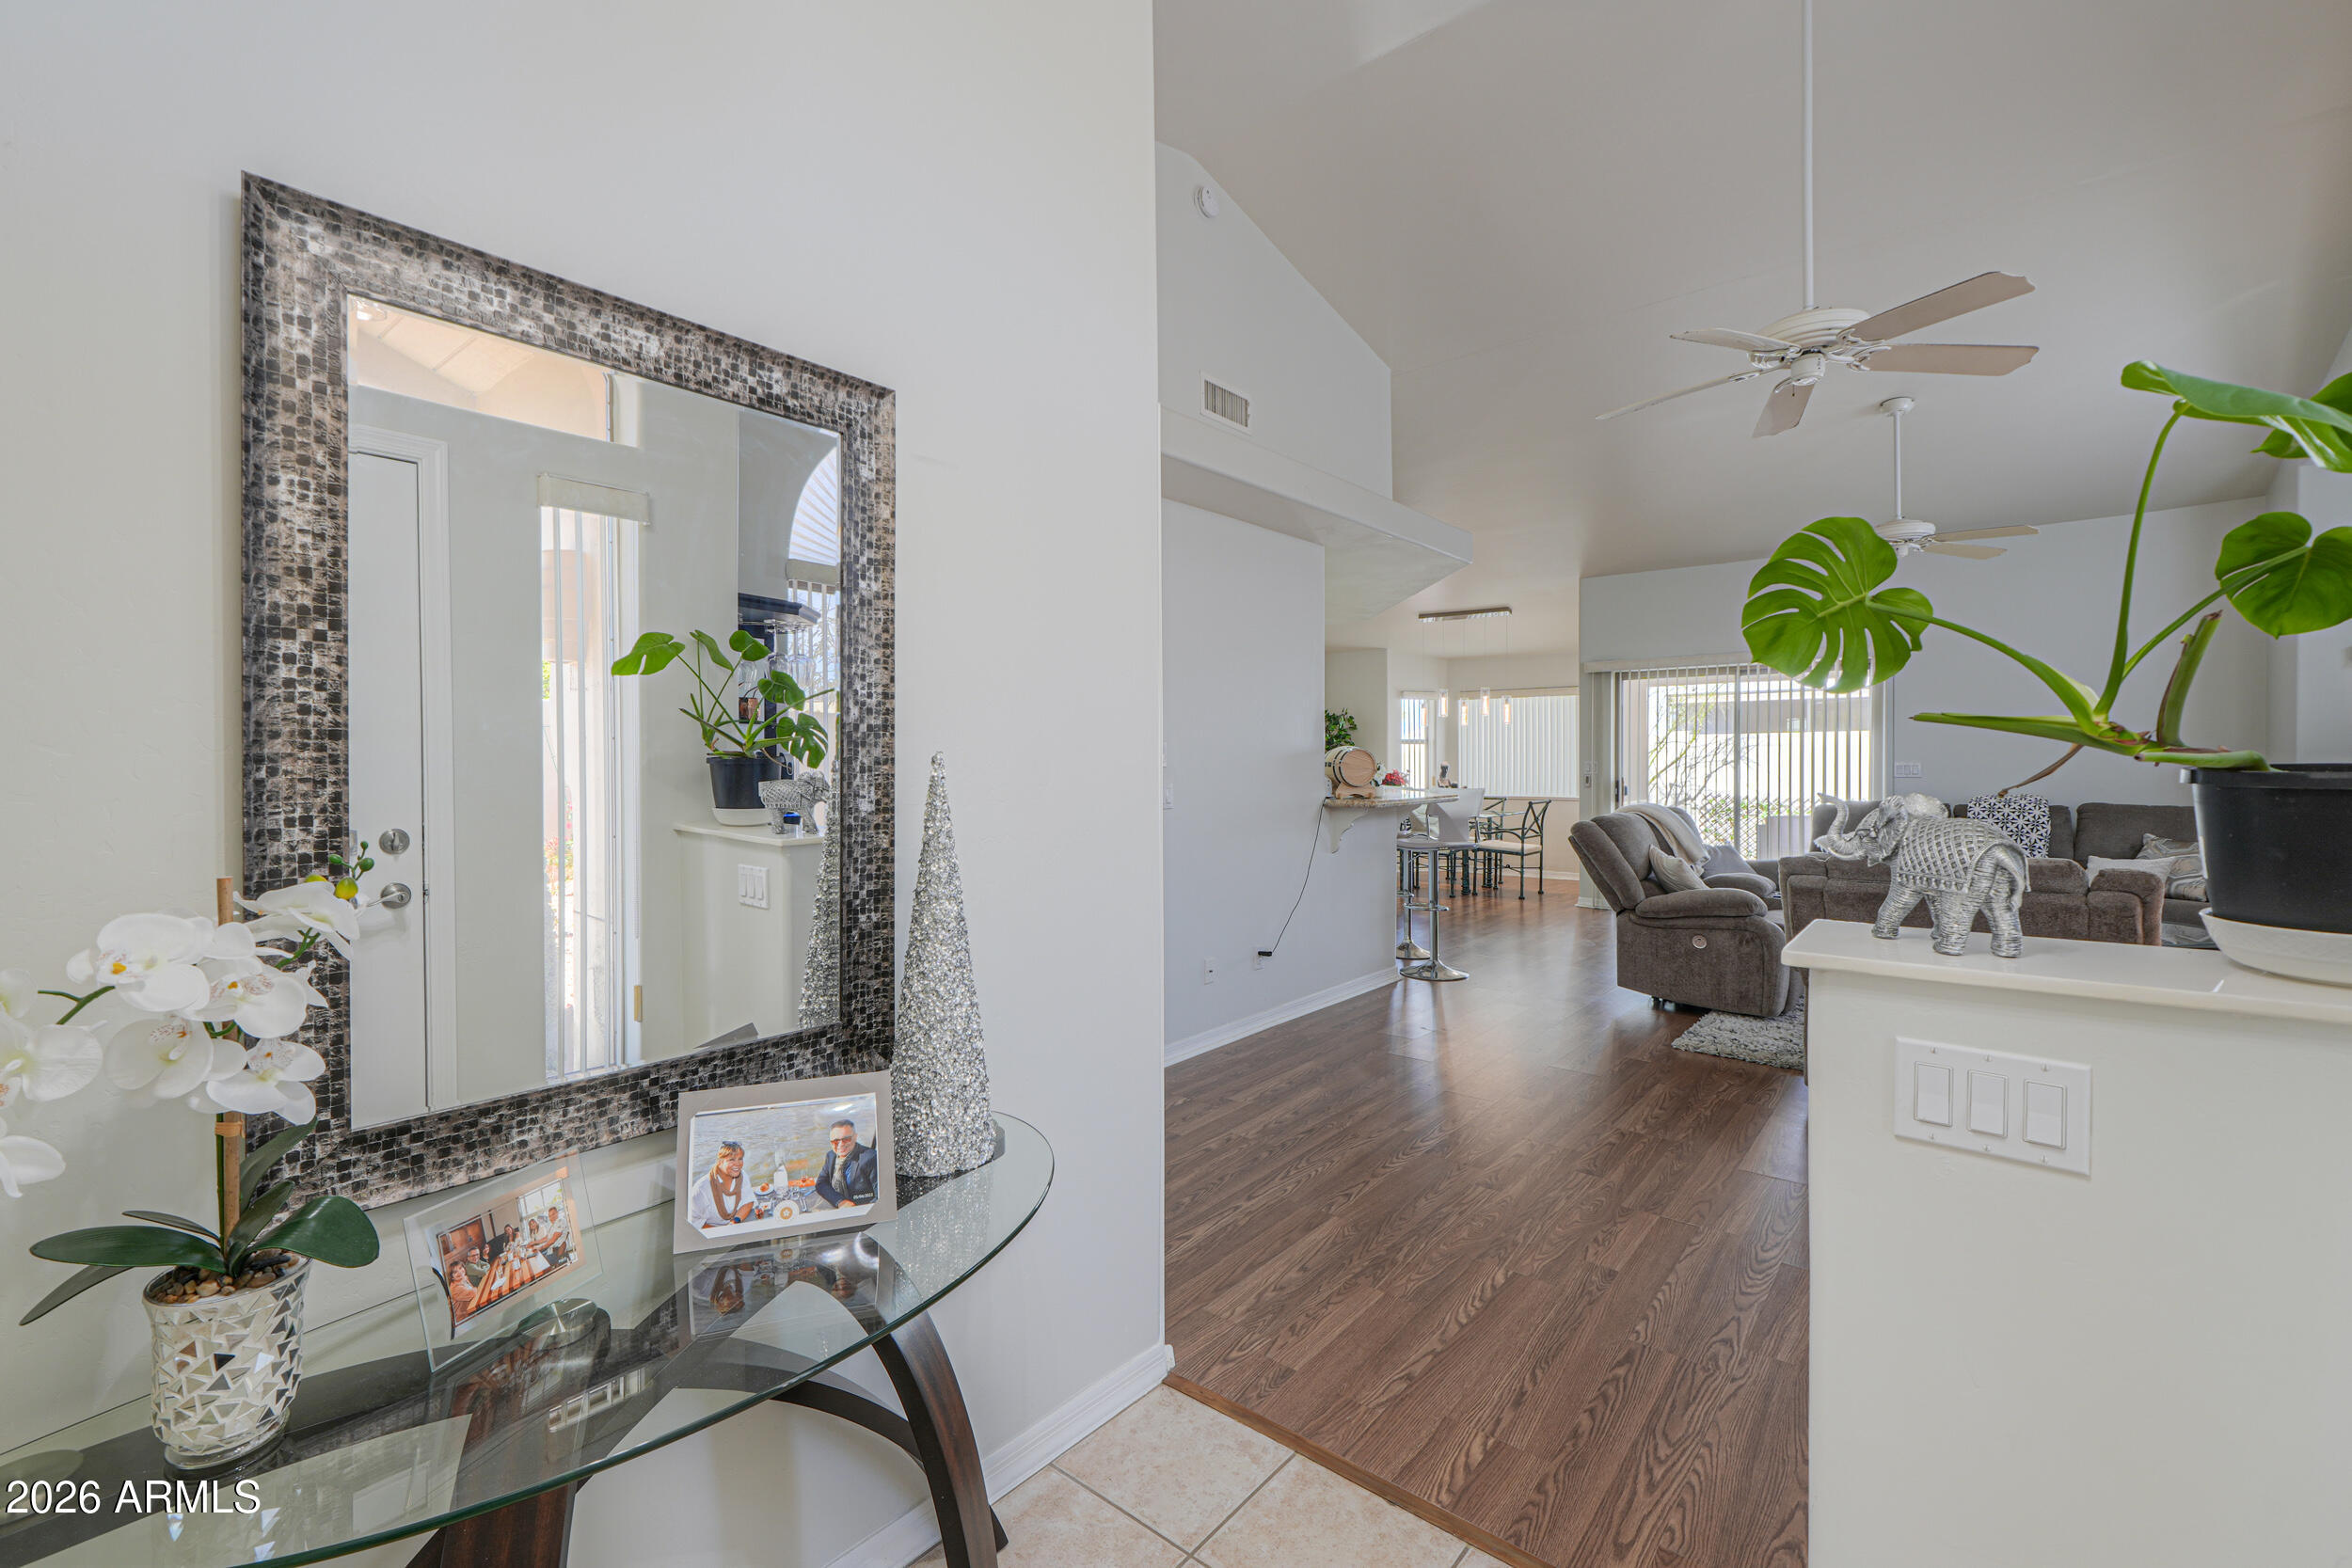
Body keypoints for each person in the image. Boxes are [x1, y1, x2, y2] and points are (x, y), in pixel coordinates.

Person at [688, 1140, 757, 1231]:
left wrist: (735, 1222)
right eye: (731, 1159)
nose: (738, 1164)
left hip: (736, 1224)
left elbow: (748, 1202)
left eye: (740, 1158)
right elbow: (694, 1223)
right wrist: (723, 1233)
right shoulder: (701, 1189)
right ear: (720, 1162)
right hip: (713, 1234)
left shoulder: (742, 1175)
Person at [813, 1119, 878, 1210]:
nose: (840, 1144)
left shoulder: (870, 1158)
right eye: (835, 1141)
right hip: (840, 1206)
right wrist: (840, 1201)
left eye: (846, 1139)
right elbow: (821, 1183)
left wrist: (858, 1212)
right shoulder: (831, 1156)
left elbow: (881, 1196)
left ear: (855, 1137)